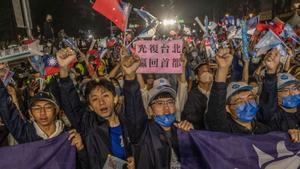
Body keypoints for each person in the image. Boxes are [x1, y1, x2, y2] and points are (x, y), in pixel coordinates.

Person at [56, 48, 134, 169]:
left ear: (115, 99)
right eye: (95, 99)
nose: (101, 102)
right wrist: (63, 70)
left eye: (105, 96)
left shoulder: (130, 123)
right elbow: (71, 105)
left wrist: (137, 160)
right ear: (90, 107)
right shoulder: (88, 125)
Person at [122, 52, 194, 169]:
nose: (166, 108)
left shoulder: (181, 131)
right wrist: (130, 78)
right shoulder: (142, 133)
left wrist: (192, 136)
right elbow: (134, 110)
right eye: (159, 103)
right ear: (149, 110)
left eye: (170, 102)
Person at [0, 80, 87, 167]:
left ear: (56, 110)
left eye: (48, 107)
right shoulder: (26, 133)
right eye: (37, 108)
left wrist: (81, 149)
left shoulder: (70, 136)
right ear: (30, 113)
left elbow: (85, 165)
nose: (42, 112)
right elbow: (9, 113)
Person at [181, 62, 213, 129]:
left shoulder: (218, 92)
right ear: (197, 77)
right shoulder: (192, 96)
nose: (207, 73)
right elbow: (190, 119)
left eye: (209, 71)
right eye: (203, 71)